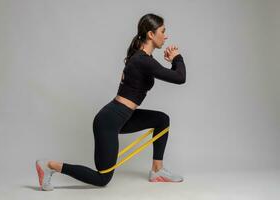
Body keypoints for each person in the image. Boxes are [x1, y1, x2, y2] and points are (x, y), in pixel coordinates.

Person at [35, 13, 186, 191]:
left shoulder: (143, 60)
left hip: (123, 117)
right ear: (151, 34)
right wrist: (177, 58)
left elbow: (174, 76)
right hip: (109, 121)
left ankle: (157, 170)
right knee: (102, 178)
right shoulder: (142, 61)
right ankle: (50, 165)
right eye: (163, 31)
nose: (166, 36)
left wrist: (174, 62)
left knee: (162, 120)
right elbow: (180, 78)